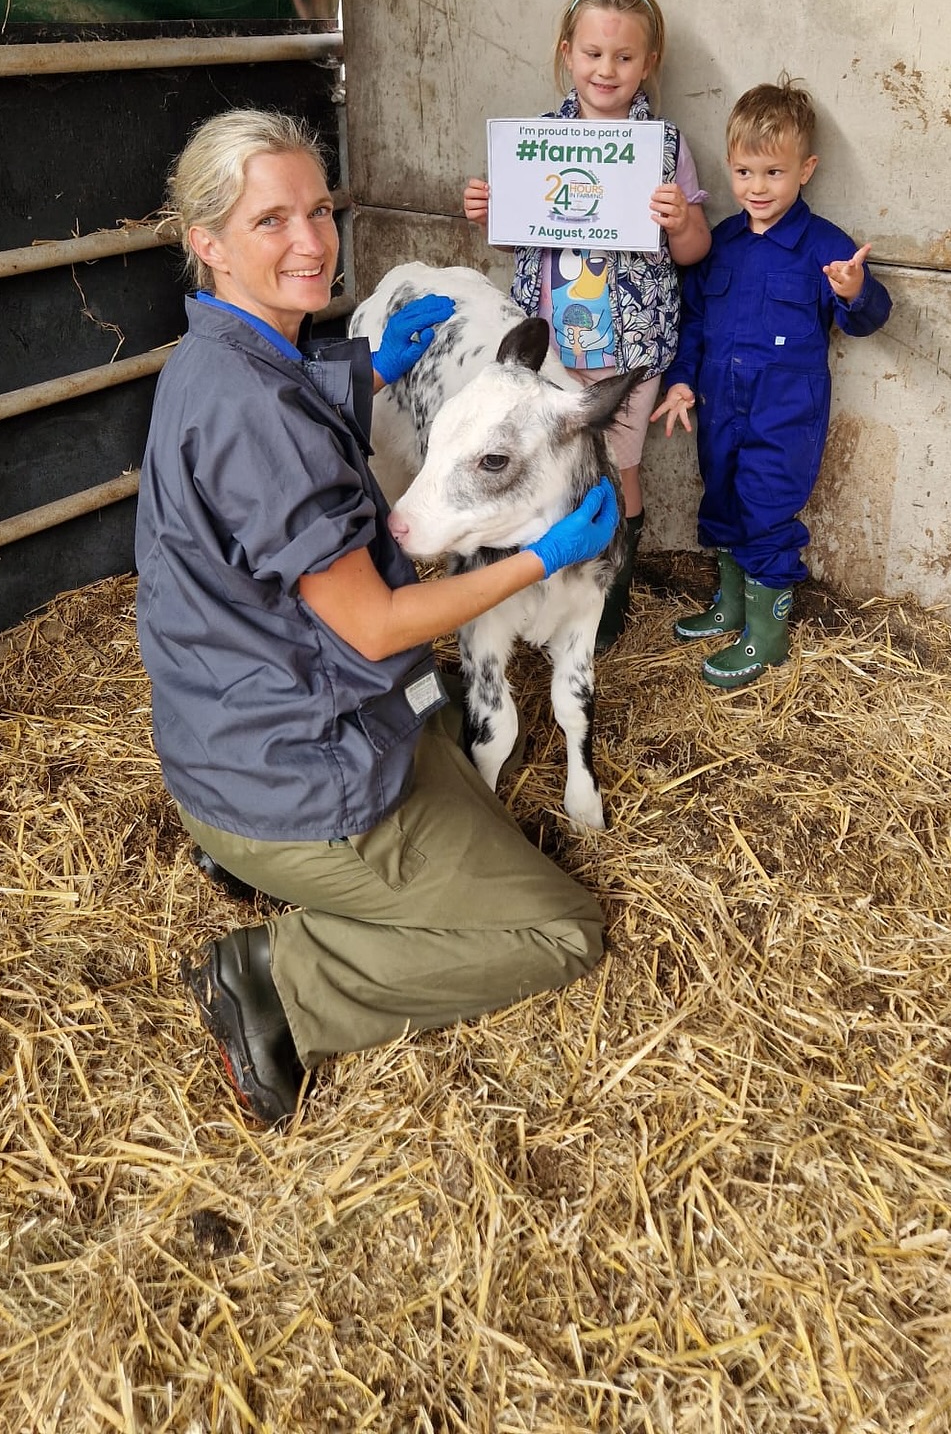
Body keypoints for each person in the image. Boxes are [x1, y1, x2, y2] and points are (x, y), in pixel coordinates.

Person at [135, 108, 619, 1127]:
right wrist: (544, 555)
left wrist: (376, 372)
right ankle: (279, 983)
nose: (312, 242)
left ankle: (259, 860)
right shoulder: (254, 409)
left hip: (235, 726)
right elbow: (376, 626)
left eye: (319, 209)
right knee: (562, 931)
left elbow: (288, 420)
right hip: (287, 764)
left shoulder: (230, 357)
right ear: (206, 242)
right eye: (271, 222)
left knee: (453, 748)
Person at [463, 0, 711, 651]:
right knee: (540, 464)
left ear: (648, 63)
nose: (608, 69)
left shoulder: (664, 146)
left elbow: (694, 251)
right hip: (549, 347)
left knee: (616, 469)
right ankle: (543, 589)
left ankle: (609, 594)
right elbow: (520, 237)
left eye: (624, 57)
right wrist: (490, 213)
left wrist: (683, 219)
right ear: (567, 53)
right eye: (594, 54)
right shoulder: (535, 140)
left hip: (626, 351)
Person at [651, 81, 892, 688]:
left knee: (765, 512)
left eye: (774, 173)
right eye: (743, 171)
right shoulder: (722, 243)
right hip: (721, 409)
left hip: (784, 418)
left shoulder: (826, 247)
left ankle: (767, 635)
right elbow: (696, 321)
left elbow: (867, 319)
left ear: (806, 170)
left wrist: (854, 292)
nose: (757, 188)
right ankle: (732, 605)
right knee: (725, 499)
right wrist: (681, 384)